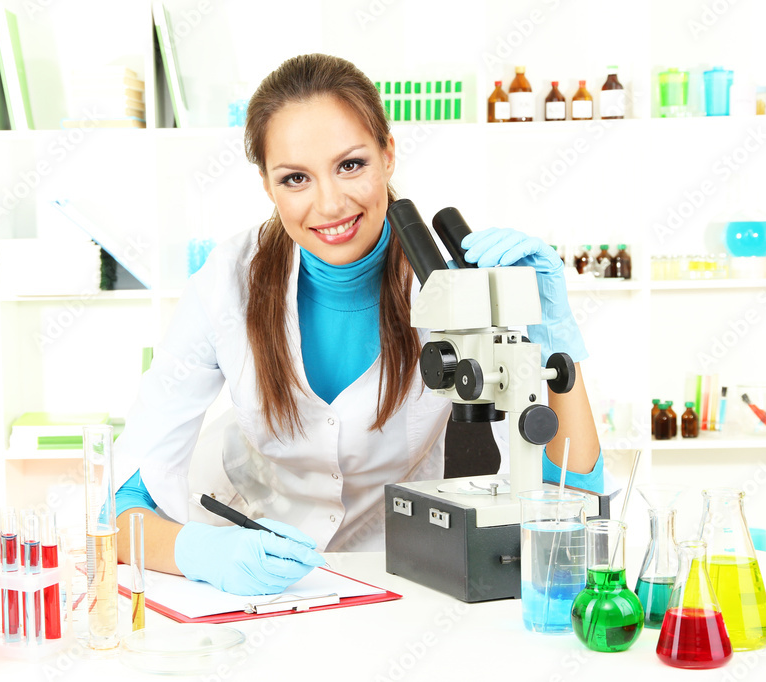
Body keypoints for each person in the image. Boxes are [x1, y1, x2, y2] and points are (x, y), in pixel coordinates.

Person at [112, 54, 602, 596]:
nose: (329, 203)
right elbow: (119, 507)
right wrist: (199, 551)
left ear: (388, 155)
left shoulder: (455, 286)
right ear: (267, 185)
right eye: (295, 178)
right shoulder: (226, 284)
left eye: (351, 165)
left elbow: (572, 495)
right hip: (236, 561)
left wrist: (555, 336)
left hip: (395, 569)